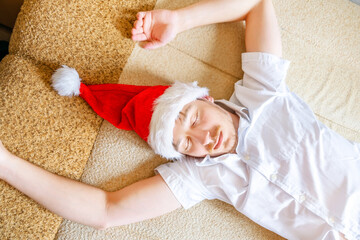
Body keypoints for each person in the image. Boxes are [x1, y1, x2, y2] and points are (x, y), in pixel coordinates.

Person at [0, 0, 358, 239]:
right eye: (185, 142)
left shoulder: (264, 93)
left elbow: (256, 4)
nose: (203, 136)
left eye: (193, 116)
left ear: (204, 97)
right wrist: (6, 164)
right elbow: (106, 210)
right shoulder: (198, 174)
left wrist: (179, 19)